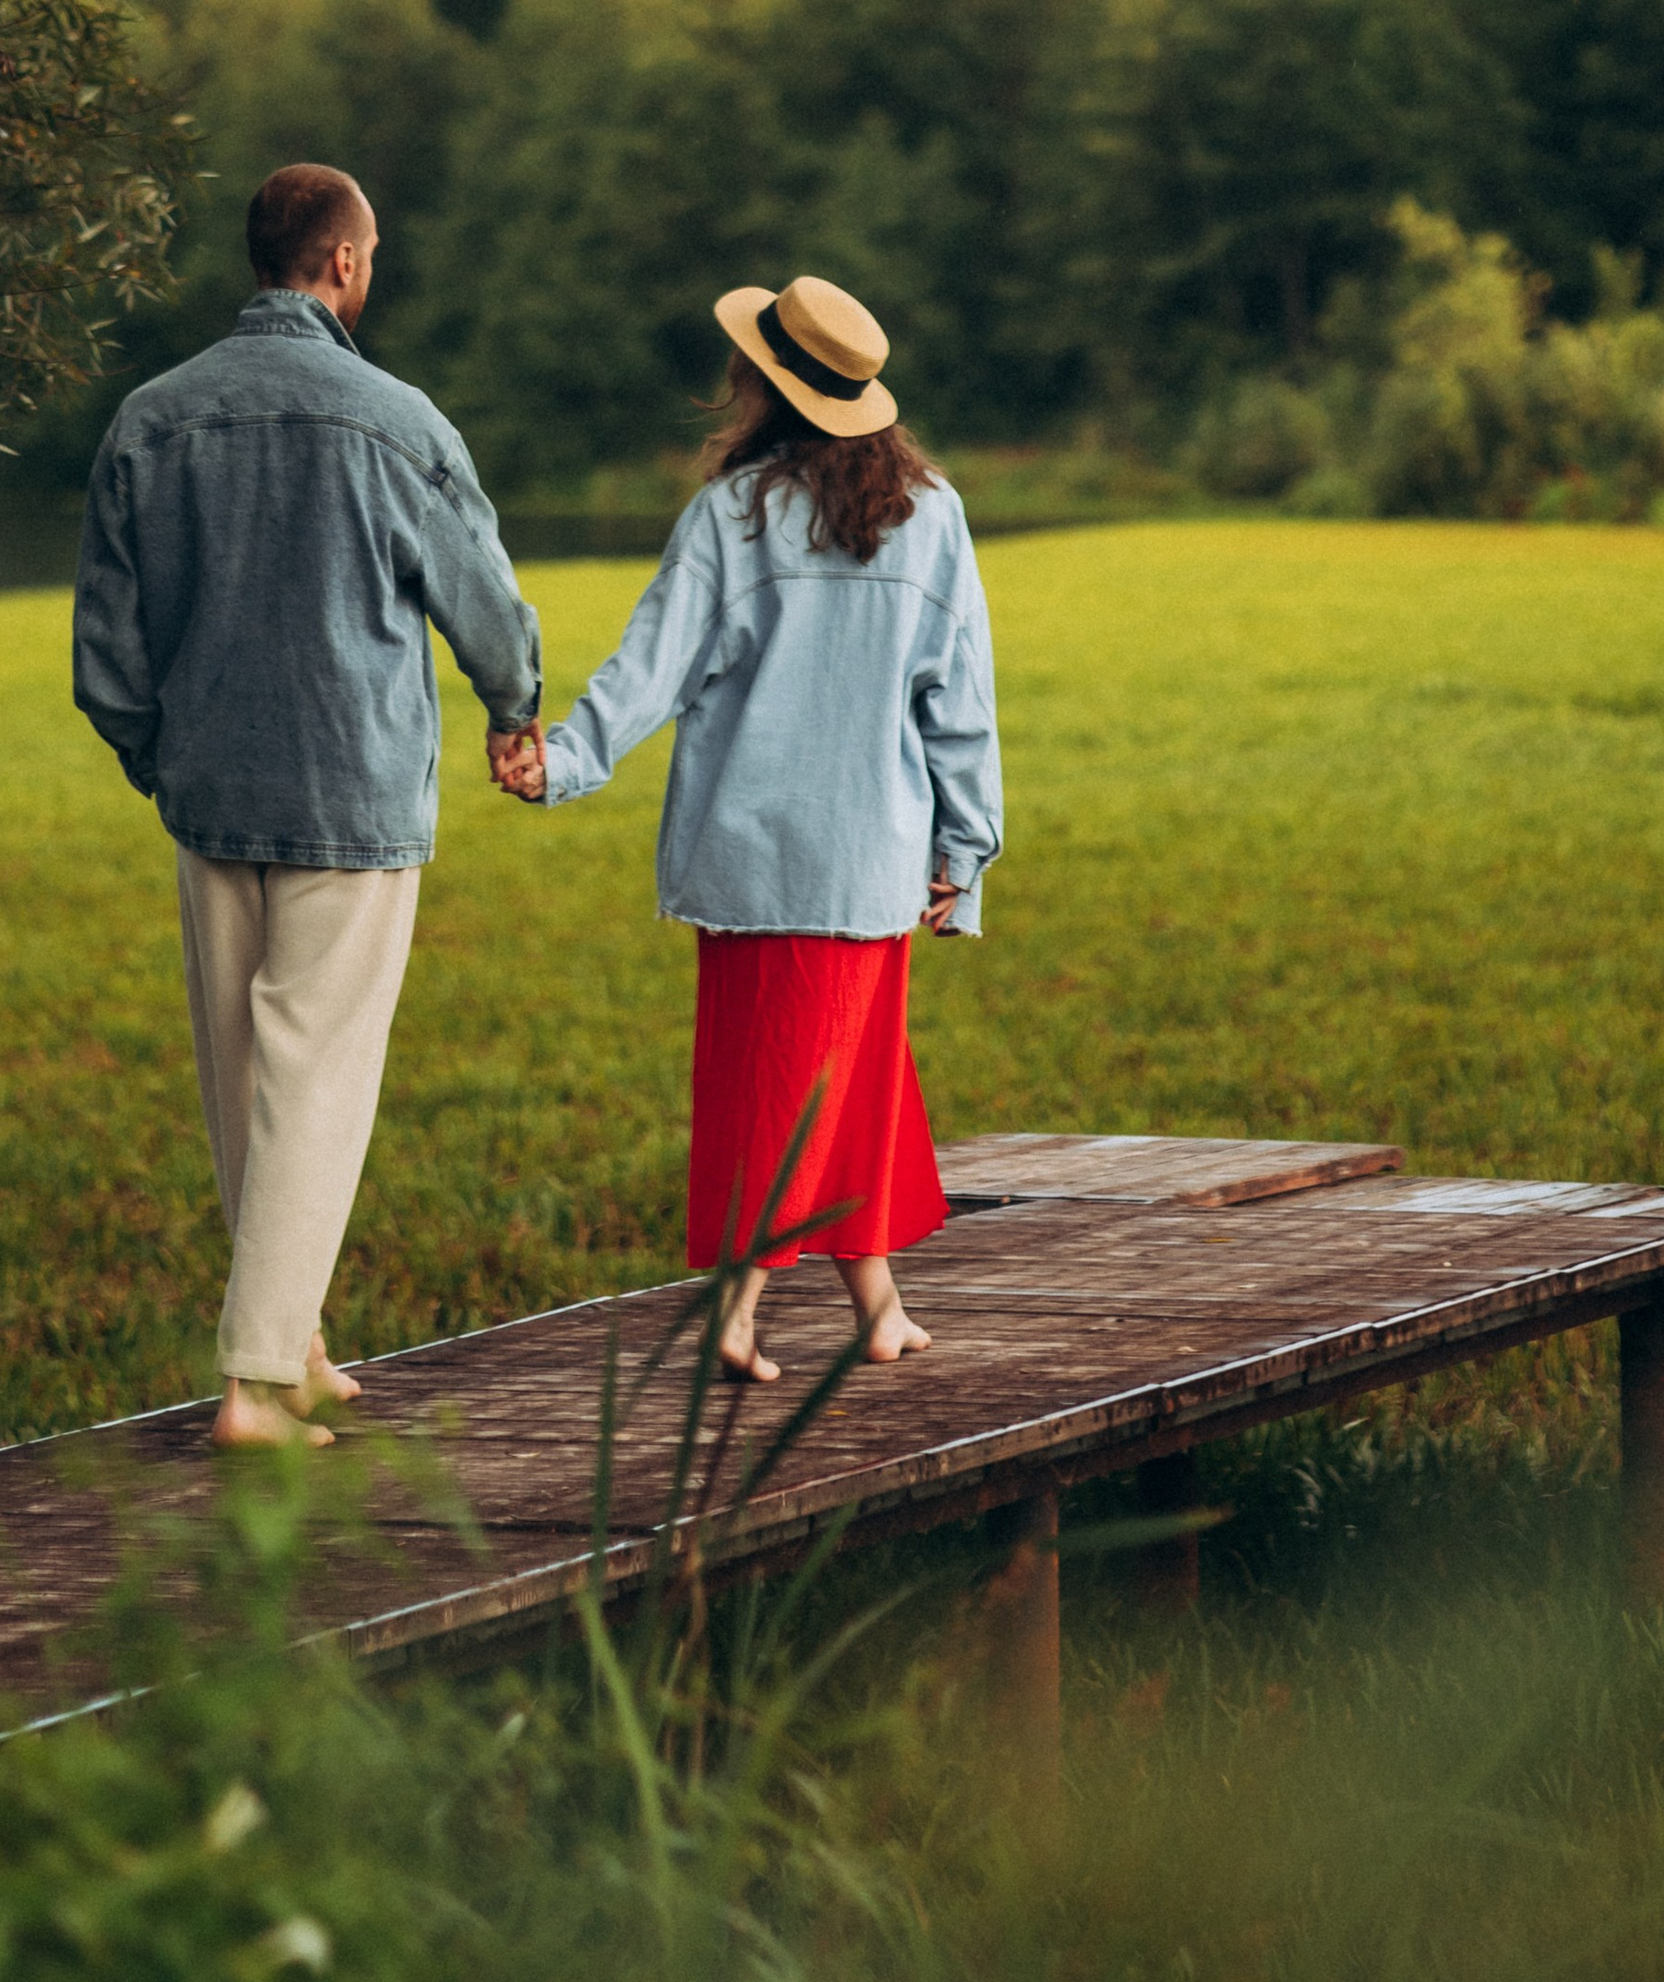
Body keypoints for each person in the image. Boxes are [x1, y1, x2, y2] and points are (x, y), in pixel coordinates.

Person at [73, 162, 546, 1448]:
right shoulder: (397, 420)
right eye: (372, 252)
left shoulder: (150, 419)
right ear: (341, 263)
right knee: (316, 1077)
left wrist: (161, 760)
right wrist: (515, 710)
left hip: (212, 791)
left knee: (244, 1078)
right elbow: (486, 603)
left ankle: (299, 1341)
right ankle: (254, 1384)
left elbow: (106, 657)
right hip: (352, 791)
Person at [525, 276, 1001, 1380]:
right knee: (848, 1083)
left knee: (785, 1088)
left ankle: (733, 1314)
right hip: (874, 860)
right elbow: (960, 701)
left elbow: (652, 670)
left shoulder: (734, 518)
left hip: (755, 863)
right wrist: (961, 854)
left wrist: (563, 762)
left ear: (763, 386)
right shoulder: (935, 517)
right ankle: (876, 1309)